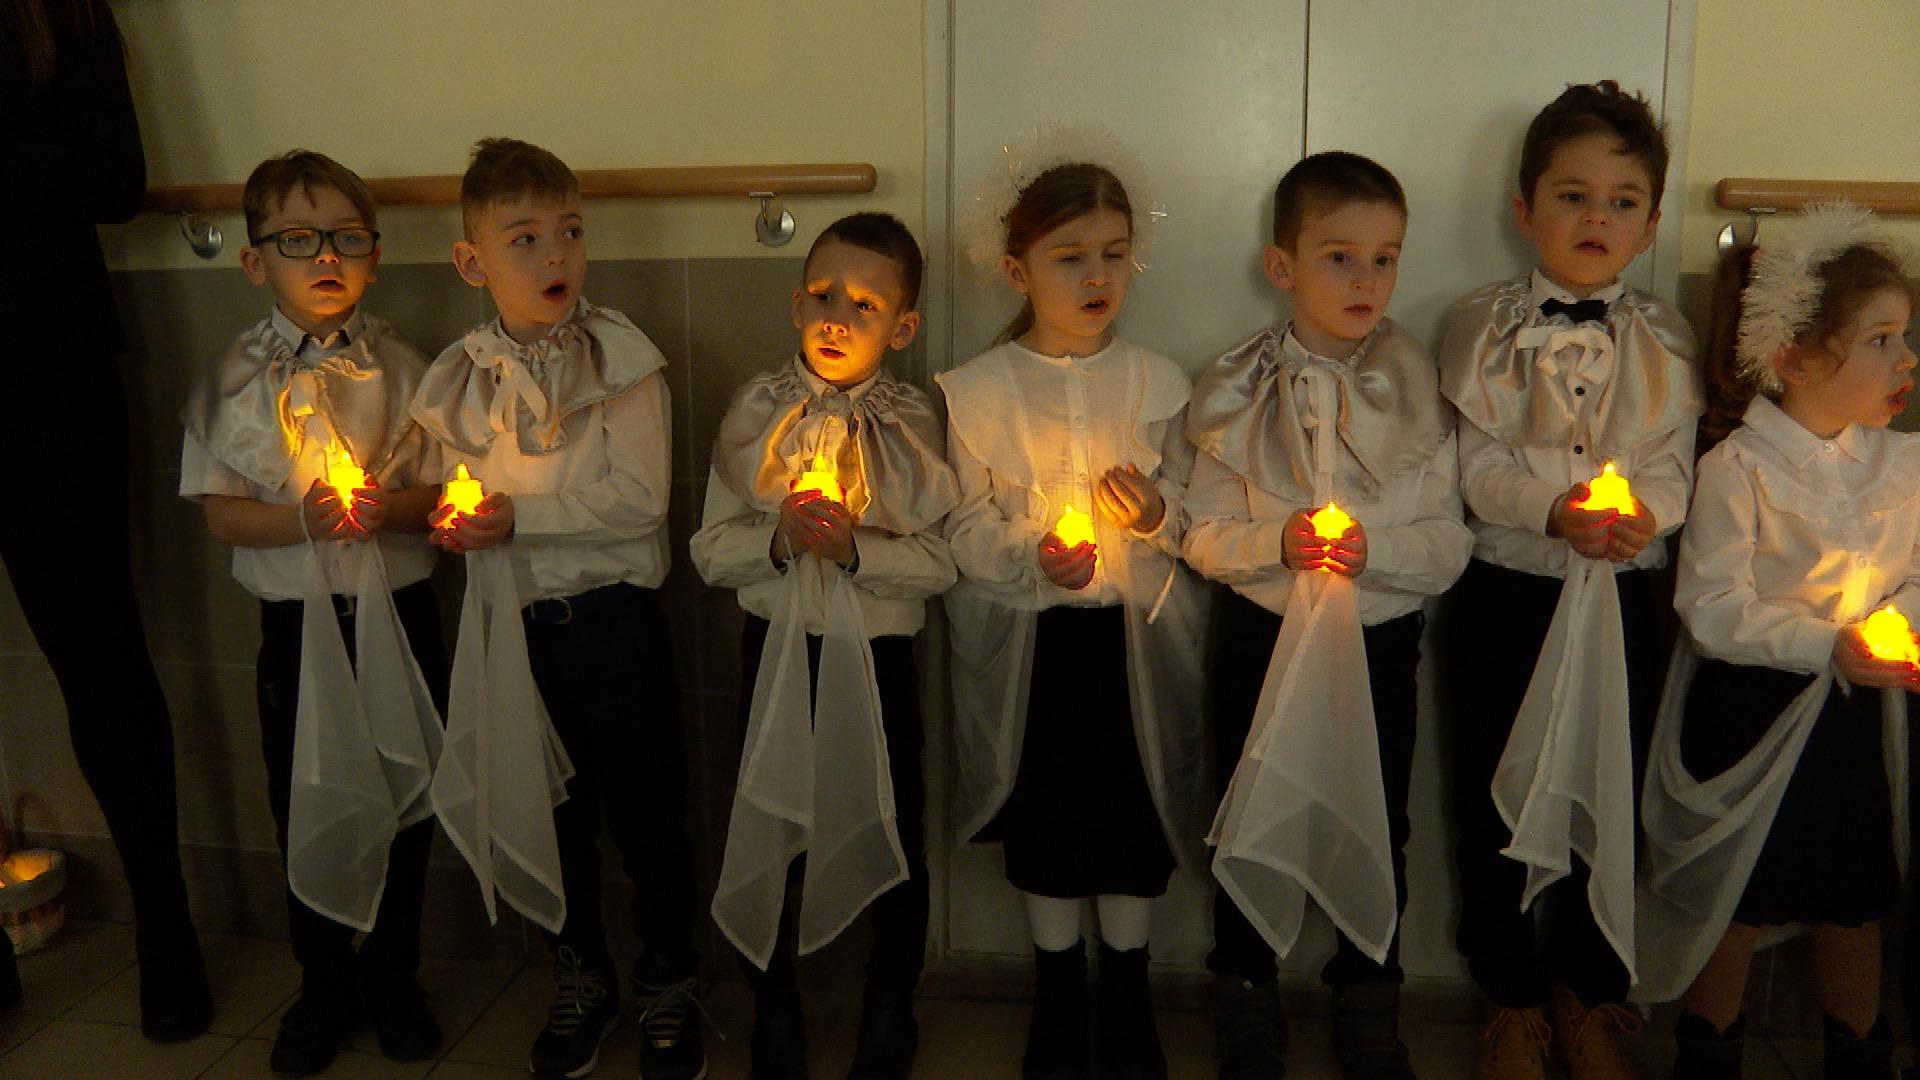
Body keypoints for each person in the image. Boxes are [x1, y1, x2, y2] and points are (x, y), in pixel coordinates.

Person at [411, 138, 701, 1080]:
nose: (555, 255)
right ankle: (581, 972)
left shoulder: (622, 358)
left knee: (648, 815)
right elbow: (447, 483)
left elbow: (640, 500)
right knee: (552, 814)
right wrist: (453, 519)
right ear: (473, 263)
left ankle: (670, 975)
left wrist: (514, 518)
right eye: (525, 238)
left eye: (569, 232)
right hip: (516, 630)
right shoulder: (460, 375)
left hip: (615, 624)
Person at [1184, 151, 1470, 1080]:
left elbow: (1447, 543)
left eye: (1384, 259)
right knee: (1244, 804)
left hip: (1376, 641)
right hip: (1261, 636)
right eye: (1339, 257)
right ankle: (1244, 993)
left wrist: (1373, 551)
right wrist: (1276, 542)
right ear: (1282, 266)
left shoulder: (1420, 385)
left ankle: (1369, 1000)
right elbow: (1200, 535)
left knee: (1379, 815)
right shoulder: (1232, 387)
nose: (1365, 280)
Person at [1437, 80, 1699, 1080]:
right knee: (1491, 792)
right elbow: (1477, 470)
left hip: (1624, 598)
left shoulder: (1667, 337)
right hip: (1508, 594)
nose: (1598, 218)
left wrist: (1644, 517)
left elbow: (1672, 469)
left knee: (1606, 786)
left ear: (1652, 223)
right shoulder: (1478, 325)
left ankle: (1590, 993)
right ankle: (1510, 997)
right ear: (1526, 209)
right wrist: (1552, 510)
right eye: (1573, 196)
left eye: (1622, 202)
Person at [941, 145, 1208, 1080]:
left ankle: (1126, 993)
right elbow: (964, 525)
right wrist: (1031, 556)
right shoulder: (977, 391)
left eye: (1114, 254)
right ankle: (1057, 994)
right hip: (1036, 644)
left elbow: (1196, 511)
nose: (1098, 276)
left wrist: (1158, 515)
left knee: (1133, 811)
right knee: (1047, 814)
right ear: (1018, 272)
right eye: (1070, 257)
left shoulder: (1161, 383)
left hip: (1136, 640)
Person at [179, 150, 447, 1075]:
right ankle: (323, 982)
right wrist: (304, 518)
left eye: (346, 238)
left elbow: (440, 493)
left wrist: (386, 509)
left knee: (408, 794)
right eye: (298, 239)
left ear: (374, 255)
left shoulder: (408, 369)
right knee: (304, 798)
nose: (325, 255)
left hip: (400, 615)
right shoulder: (229, 379)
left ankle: (395, 976)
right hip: (296, 628)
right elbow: (222, 516)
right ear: (256, 261)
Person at [1641, 203, 1917, 1080]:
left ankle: (1858, 1056)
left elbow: (1916, 575)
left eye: (1905, 337)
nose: (1906, 360)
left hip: (1855, 715)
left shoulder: (1905, 464)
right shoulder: (1738, 471)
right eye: (1880, 340)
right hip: (1754, 708)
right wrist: (1823, 644)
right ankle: (1708, 1053)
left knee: (1853, 896)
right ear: (1796, 359)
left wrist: (1897, 629)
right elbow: (1711, 605)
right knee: (1740, 896)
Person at [691, 211, 957, 1080]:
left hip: (879, 662)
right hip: (777, 654)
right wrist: (777, 540)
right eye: (822, 295)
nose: (838, 317)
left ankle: (889, 1001)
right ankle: (774, 1002)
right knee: (770, 820)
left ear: (903, 328)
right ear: (795, 304)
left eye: (866, 305)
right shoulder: (755, 410)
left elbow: (940, 563)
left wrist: (855, 552)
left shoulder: (914, 423)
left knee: (894, 823)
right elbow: (709, 551)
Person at [0, 0, 210, 1042]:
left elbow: (114, 180)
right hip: (48, 358)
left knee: (101, 658)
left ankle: (166, 929)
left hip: (43, 366)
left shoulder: (60, 10)